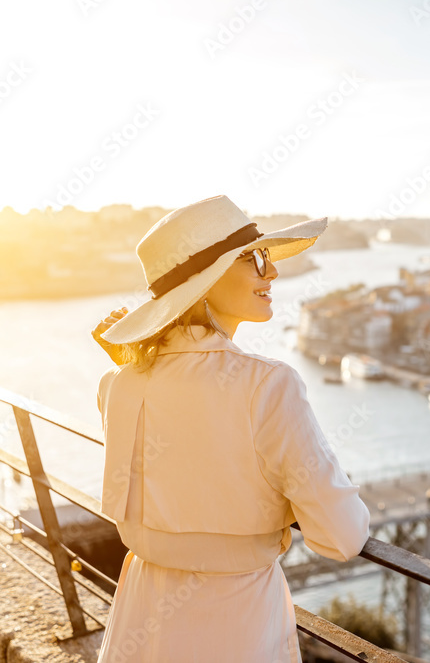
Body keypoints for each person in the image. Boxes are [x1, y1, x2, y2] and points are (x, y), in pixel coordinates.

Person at [91, 196, 370, 662]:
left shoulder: (116, 384)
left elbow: (175, 445)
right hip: (236, 626)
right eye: (256, 258)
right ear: (206, 282)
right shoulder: (269, 386)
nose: (272, 273)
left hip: (138, 620)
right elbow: (341, 537)